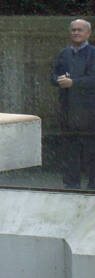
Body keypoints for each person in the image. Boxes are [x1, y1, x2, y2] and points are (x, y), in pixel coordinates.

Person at [50, 19, 95, 190]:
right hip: (68, 110)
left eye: (80, 30)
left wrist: (74, 83)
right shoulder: (64, 54)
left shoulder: (93, 53)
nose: (76, 33)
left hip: (89, 110)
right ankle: (71, 184)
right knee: (69, 150)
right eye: (73, 30)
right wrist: (58, 80)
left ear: (88, 33)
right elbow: (53, 76)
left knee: (91, 150)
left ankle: (93, 185)